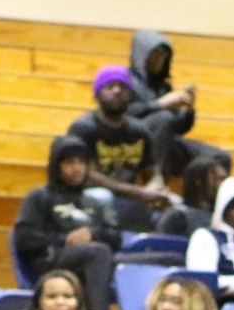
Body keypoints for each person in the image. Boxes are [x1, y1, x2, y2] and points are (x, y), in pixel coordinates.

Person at [12, 137, 119, 310]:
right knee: (99, 252)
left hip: (92, 257)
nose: (77, 168)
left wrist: (92, 234)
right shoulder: (39, 196)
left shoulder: (95, 202)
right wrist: (66, 240)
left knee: (161, 258)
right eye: (70, 162)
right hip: (51, 258)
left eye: (81, 162)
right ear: (57, 166)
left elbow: (116, 238)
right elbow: (23, 239)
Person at [68, 67, 173, 231]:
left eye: (123, 87)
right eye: (110, 86)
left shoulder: (140, 131)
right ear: (97, 95)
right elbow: (88, 176)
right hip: (88, 201)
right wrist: (139, 193)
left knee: (175, 209)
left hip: (129, 199)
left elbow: (152, 171)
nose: (117, 91)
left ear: (131, 95)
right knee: (103, 197)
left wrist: (156, 186)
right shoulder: (82, 128)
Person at [124, 30, 228, 178]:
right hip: (134, 146)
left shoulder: (163, 87)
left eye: (163, 55)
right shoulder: (124, 81)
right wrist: (159, 105)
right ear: (142, 54)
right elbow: (124, 114)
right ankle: (155, 178)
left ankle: (200, 199)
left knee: (219, 158)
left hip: (166, 145)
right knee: (163, 118)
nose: (160, 59)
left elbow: (179, 128)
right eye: (156, 54)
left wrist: (188, 110)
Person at [156, 155, 228, 238]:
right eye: (219, 179)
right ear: (199, 183)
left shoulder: (227, 216)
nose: (224, 185)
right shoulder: (178, 217)